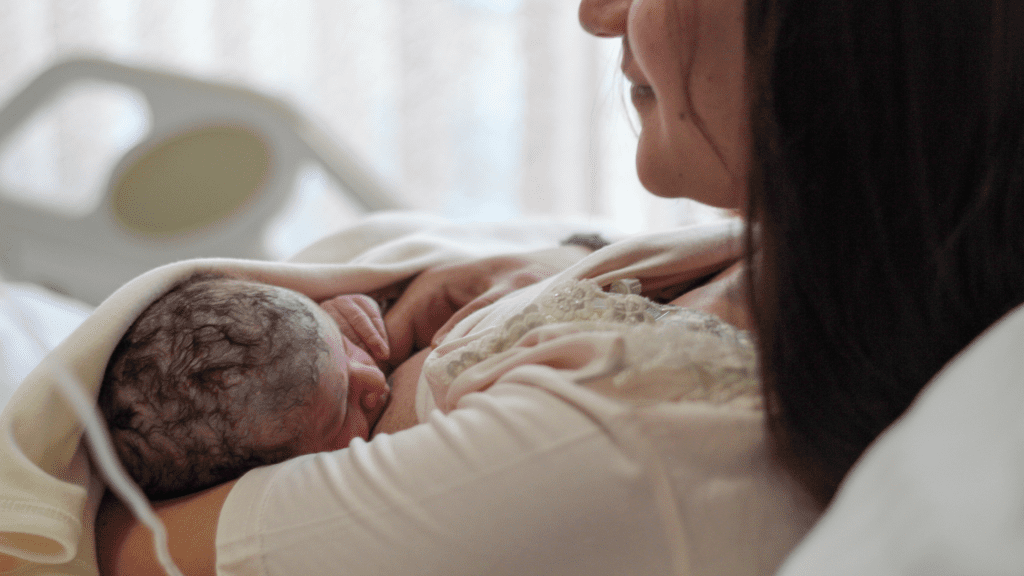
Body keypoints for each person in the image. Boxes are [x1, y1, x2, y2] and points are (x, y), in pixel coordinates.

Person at [95, 0, 1024, 574]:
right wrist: (544, 272)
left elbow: (82, 545)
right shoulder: (774, 270)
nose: (597, 10)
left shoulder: (633, 448)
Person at [98, 272, 394, 500]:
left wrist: (365, 307)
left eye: (344, 346)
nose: (374, 378)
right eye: (338, 417)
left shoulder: (310, 360)